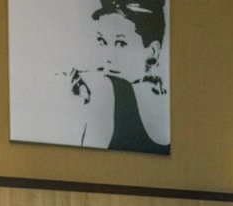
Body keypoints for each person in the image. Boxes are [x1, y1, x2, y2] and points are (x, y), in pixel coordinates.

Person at [68, 0, 170, 154]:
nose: (108, 57)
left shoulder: (104, 88)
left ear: (152, 52)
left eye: (121, 44)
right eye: (102, 41)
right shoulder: (165, 99)